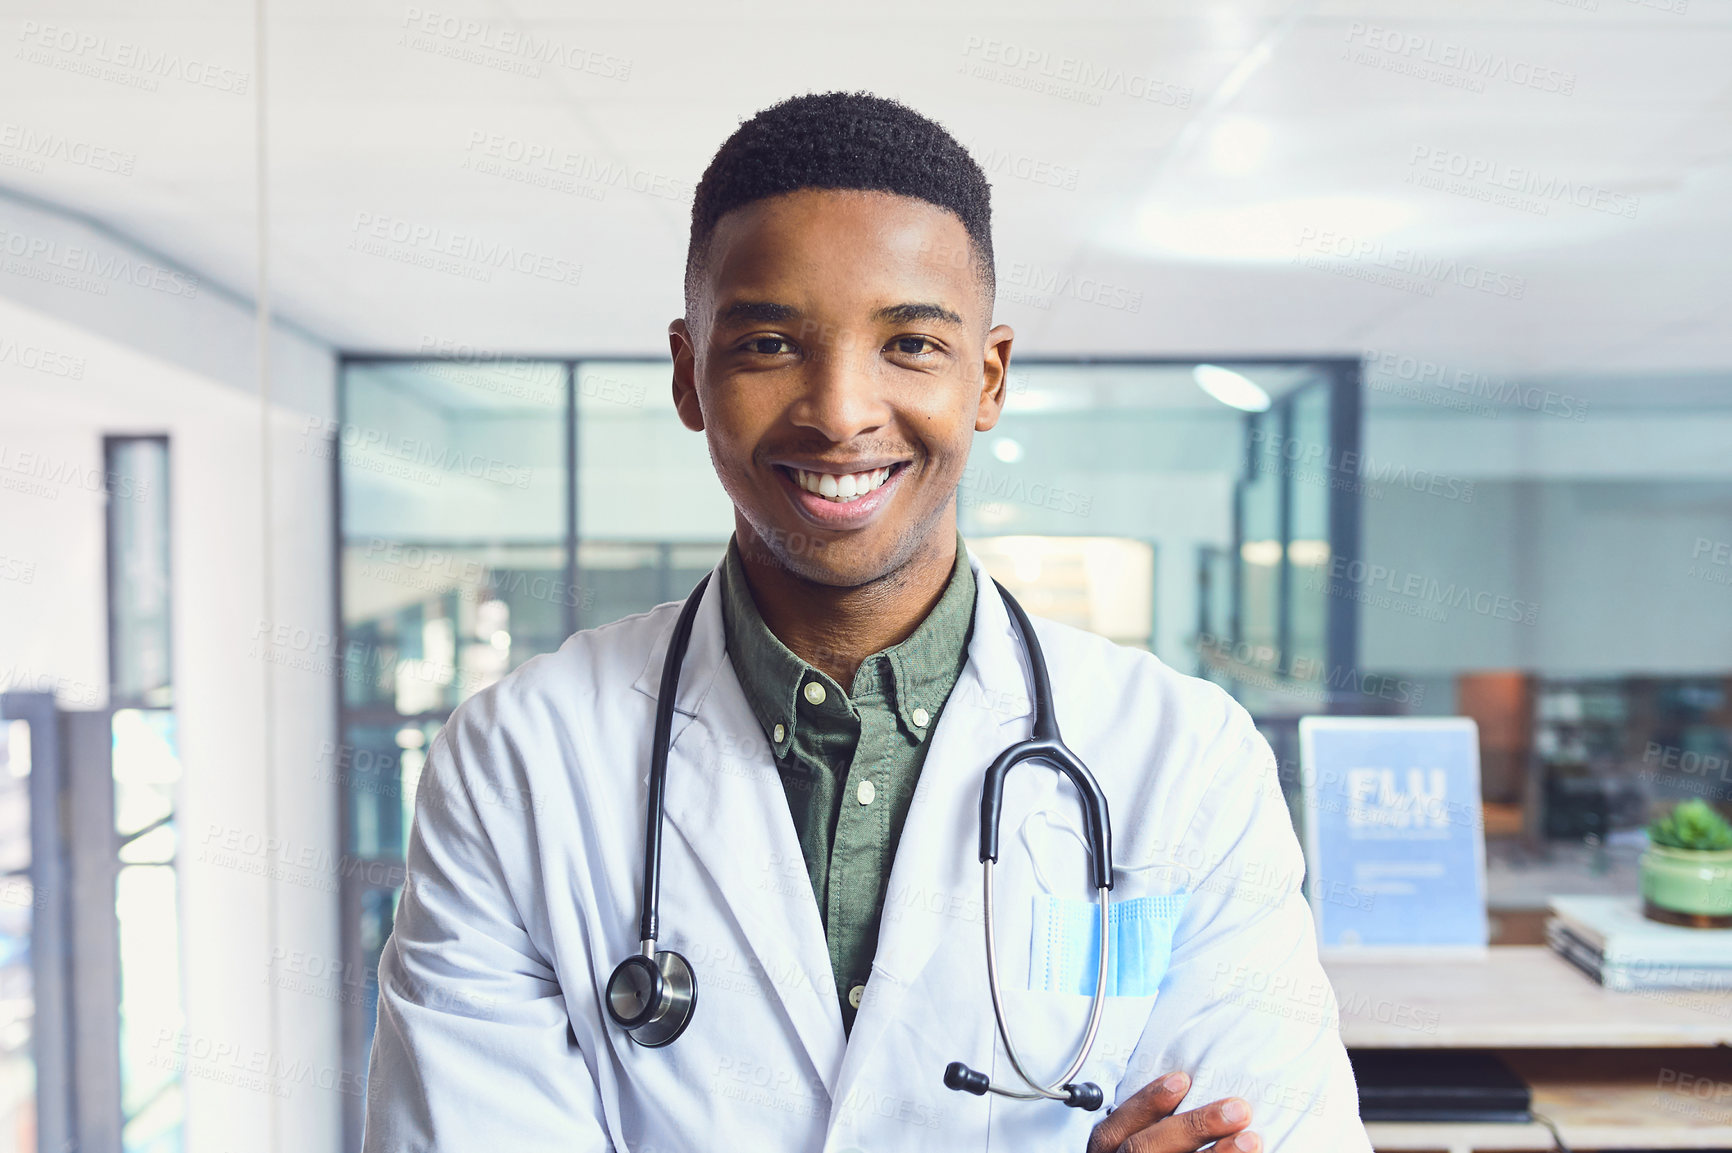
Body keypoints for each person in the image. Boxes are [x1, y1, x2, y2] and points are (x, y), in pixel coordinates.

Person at [363, 91, 1370, 1152]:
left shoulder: (1183, 757)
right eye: (766, 342)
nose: (840, 410)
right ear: (687, 373)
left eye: (910, 344)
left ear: (985, 379)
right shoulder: (519, 758)